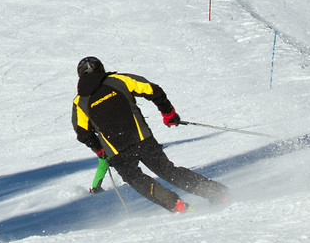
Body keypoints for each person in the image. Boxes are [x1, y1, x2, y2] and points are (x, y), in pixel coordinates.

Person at [71, 56, 228, 212]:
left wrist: (100, 150)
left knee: (137, 180)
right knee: (168, 172)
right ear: (101, 69)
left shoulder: (80, 102)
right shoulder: (118, 80)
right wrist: (168, 114)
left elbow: (83, 133)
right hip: (142, 138)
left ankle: (177, 205)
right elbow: (153, 90)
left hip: (117, 151)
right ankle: (217, 193)